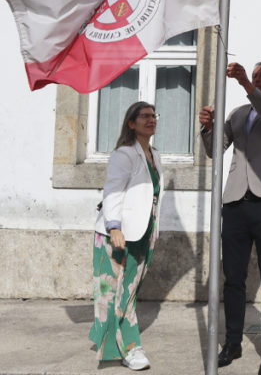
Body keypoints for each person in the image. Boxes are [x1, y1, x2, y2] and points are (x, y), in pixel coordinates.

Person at [200, 61, 261, 375]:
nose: (256, 79)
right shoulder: (239, 114)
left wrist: (246, 84)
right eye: (253, 75)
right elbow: (216, 150)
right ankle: (232, 343)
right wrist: (208, 127)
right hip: (236, 203)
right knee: (233, 279)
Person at [90, 101, 163, 371]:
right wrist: (114, 226)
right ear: (131, 123)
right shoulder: (124, 154)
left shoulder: (153, 153)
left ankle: (114, 340)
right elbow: (113, 191)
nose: (150, 119)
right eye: (143, 116)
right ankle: (130, 348)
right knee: (111, 292)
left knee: (128, 292)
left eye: (153, 115)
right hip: (117, 234)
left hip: (143, 233)